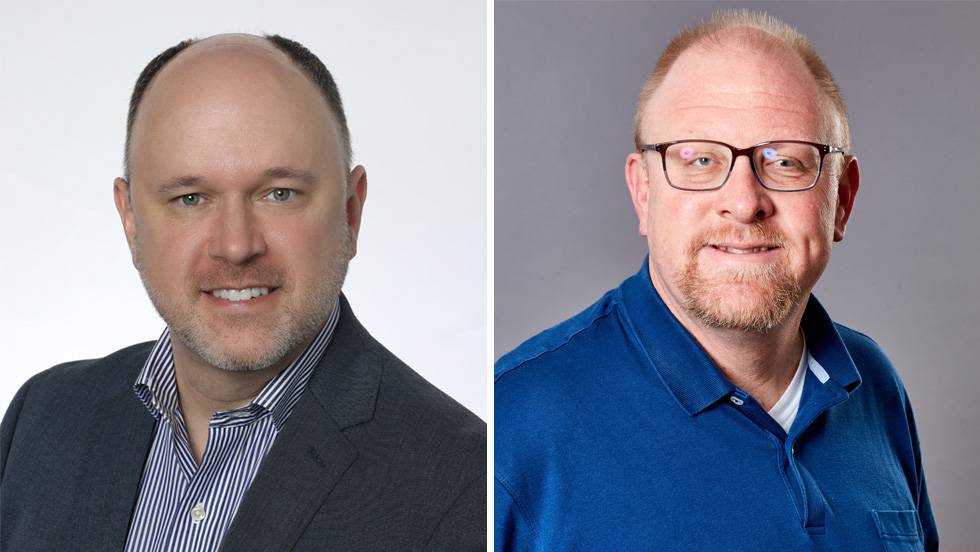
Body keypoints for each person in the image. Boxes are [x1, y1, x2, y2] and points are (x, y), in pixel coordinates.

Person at [0, 33, 485, 551]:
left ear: (351, 210)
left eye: (280, 194)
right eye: (190, 198)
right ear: (130, 218)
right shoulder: (42, 418)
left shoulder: (468, 483)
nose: (236, 246)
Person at [494, 11, 937, 551]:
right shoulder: (511, 424)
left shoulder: (875, 385)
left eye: (786, 162)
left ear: (841, 199)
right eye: (700, 159)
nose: (745, 202)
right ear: (643, 192)